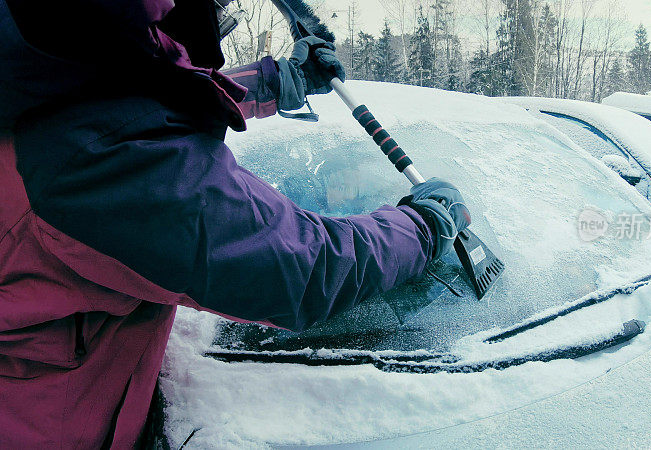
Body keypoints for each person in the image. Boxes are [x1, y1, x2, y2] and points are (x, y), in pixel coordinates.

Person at [0, 0, 471, 447]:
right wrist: (425, 227)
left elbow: (132, 96)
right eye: (217, 11)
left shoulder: (33, 71)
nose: (222, 21)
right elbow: (301, 266)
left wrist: (274, 81)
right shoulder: (102, 164)